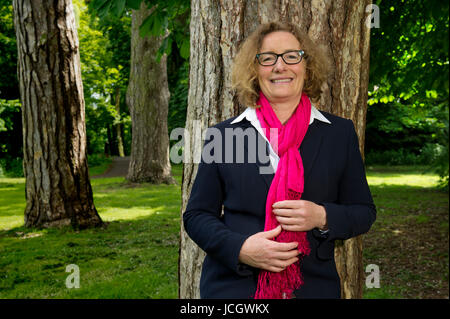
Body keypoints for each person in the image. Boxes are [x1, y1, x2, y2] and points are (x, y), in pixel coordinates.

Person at [183, 21, 376, 299]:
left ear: (306, 66)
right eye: (267, 58)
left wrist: (321, 216)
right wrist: (240, 248)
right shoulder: (224, 136)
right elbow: (197, 215)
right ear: (254, 68)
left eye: (291, 56)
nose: (280, 66)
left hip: (313, 288)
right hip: (235, 288)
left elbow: (363, 211)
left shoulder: (339, 134)